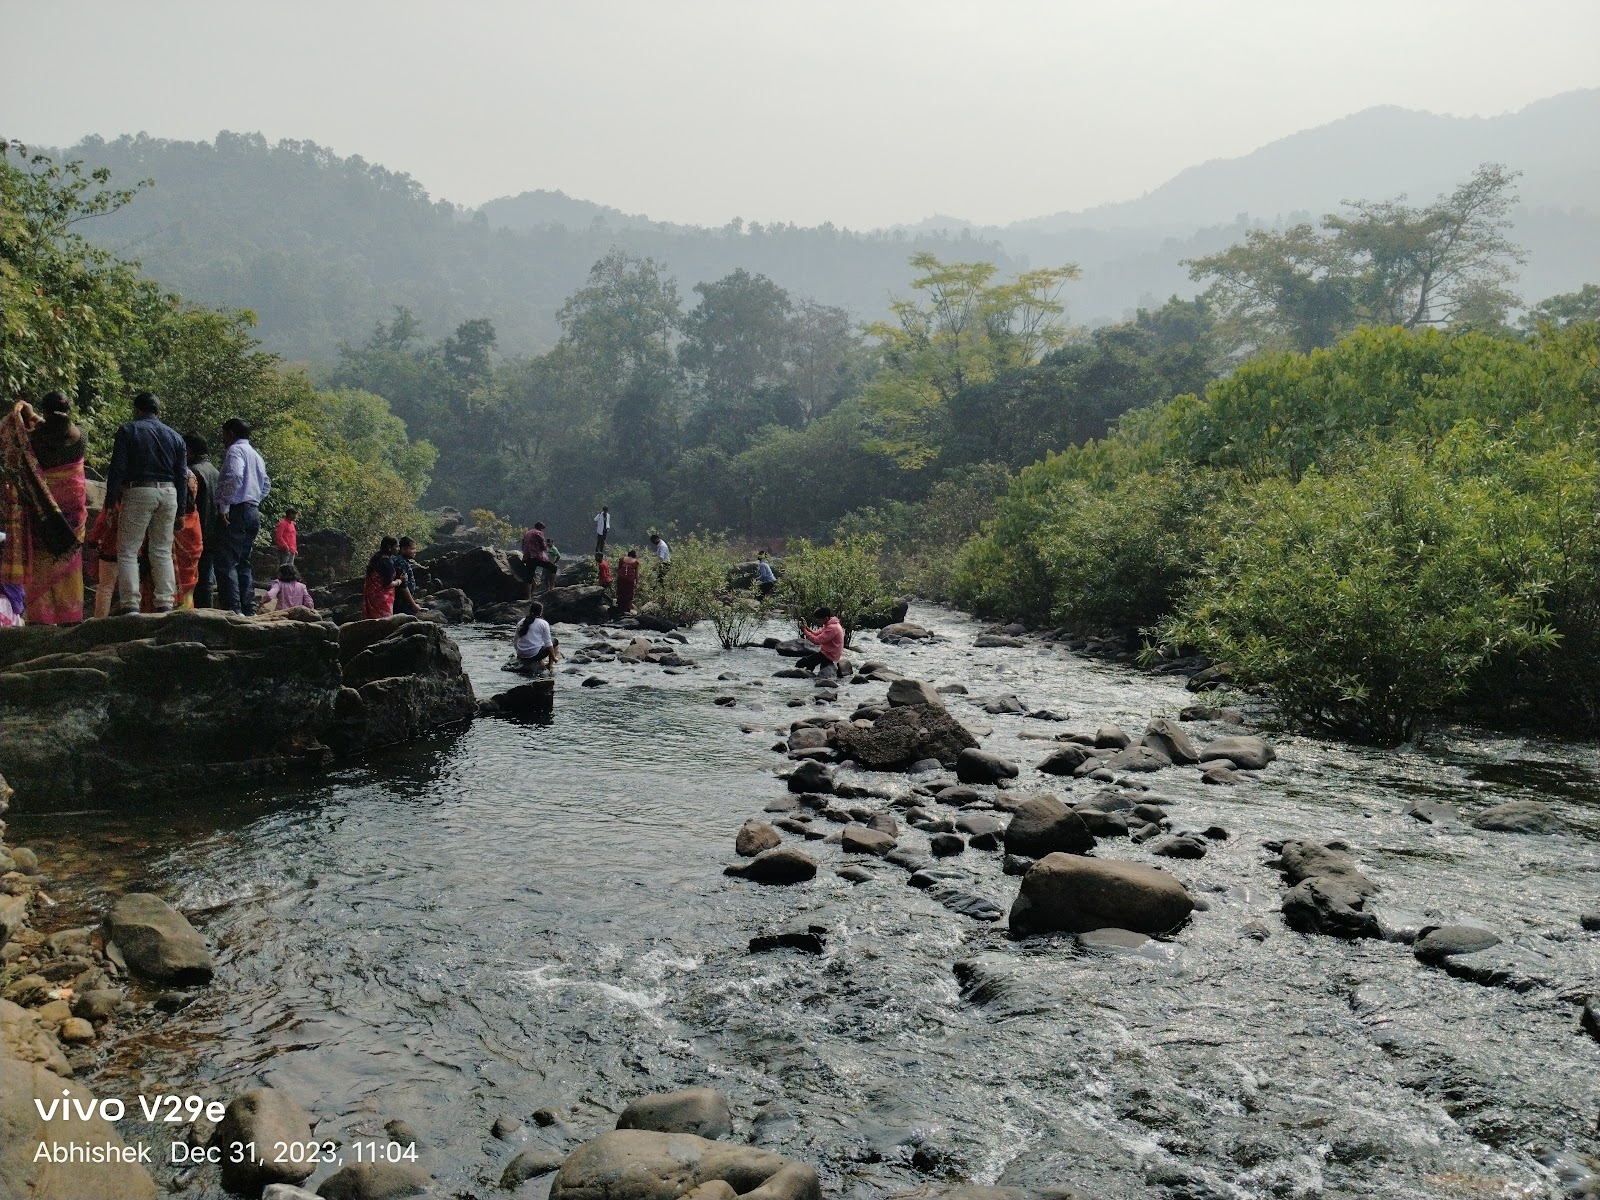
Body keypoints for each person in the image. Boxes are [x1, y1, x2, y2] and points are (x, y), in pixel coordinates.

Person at [0, 393, 87, 624]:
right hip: (73, 513)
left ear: (46, 411)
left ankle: (42, 617)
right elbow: (53, 429)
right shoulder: (80, 436)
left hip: (44, 511)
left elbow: (19, 445)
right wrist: (34, 416)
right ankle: (71, 614)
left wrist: (22, 416)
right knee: (69, 559)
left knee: (42, 558)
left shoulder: (35, 441)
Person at [105, 391, 188, 614]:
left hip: (139, 490)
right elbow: (182, 475)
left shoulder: (128, 430)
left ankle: (131, 604)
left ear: (137, 410)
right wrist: (182, 509)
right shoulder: (175, 436)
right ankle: (165, 602)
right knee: (161, 549)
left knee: (128, 550)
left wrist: (110, 502)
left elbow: (118, 469)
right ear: (158, 412)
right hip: (169, 492)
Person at [213, 417, 270, 615]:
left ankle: (232, 609)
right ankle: (249, 608)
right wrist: (253, 500)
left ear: (230, 433)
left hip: (236, 510)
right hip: (252, 510)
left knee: (227, 560)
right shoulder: (256, 455)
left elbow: (235, 476)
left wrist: (225, 505)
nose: (223, 440)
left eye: (224, 435)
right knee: (243, 561)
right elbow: (266, 485)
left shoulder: (235, 451)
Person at [184, 433, 221, 607]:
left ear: (189, 450)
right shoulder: (215, 471)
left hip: (195, 531)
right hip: (214, 531)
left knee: (190, 576)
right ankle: (207, 611)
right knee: (206, 578)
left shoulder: (193, 472)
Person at [88, 501, 121, 618]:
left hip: (110, 550)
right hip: (135, 553)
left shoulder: (113, 503)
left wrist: (93, 539)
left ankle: (100, 619)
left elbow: (101, 523)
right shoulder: (138, 501)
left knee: (105, 588)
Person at [512, 600, 559, 672]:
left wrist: (519, 652)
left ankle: (540, 662)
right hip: (534, 655)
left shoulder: (521, 622)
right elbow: (548, 644)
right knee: (555, 641)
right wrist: (554, 658)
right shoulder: (543, 623)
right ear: (541, 612)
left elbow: (515, 641)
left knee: (539, 643)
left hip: (521, 654)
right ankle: (550, 665)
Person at [796, 607, 845, 674]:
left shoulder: (832, 628)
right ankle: (807, 675)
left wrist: (804, 631)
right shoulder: (830, 624)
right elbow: (817, 633)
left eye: (819, 619)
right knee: (810, 664)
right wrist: (807, 628)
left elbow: (817, 641)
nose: (818, 621)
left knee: (802, 662)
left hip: (829, 655)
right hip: (828, 653)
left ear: (826, 618)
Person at [362, 536, 400, 619]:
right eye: (396, 546)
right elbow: (387, 584)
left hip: (371, 596)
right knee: (384, 623)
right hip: (382, 599)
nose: (398, 549)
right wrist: (399, 581)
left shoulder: (376, 557)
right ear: (389, 547)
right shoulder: (387, 562)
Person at [521, 520, 554, 595]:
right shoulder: (539, 533)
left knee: (529, 577)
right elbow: (543, 547)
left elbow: (523, 545)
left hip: (528, 557)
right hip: (536, 557)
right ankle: (552, 589)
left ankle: (528, 597)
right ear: (541, 528)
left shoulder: (527, 533)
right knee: (553, 568)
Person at [393, 536, 421, 615]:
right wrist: (413, 604)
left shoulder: (403, 561)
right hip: (401, 602)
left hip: (403, 601)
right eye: (412, 549)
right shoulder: (400, 562)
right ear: (403, 549)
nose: (414, 551)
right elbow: (403, 586)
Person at [615, 548, 640, 614]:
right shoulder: (636, 561)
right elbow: (636, 574)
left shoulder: (622, 559)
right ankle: (627, 608)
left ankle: (619, 606)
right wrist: (636, 583)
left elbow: (619, 569)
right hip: (630, 580)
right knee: (629, 593)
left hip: (621, 578)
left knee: (621, 591)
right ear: (634, 556)